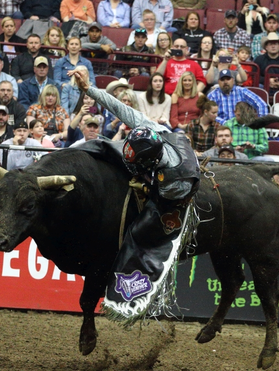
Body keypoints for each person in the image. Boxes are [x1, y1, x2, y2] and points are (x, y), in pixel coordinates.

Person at [68, 67, 201, 322]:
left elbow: (165, 196)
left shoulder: (174, 178)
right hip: (166, 157)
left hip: (176, 193)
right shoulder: (151, 128)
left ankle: (131, 291)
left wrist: (147, 186)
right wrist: (89, 90)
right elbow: (121, 109)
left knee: (140, 235)